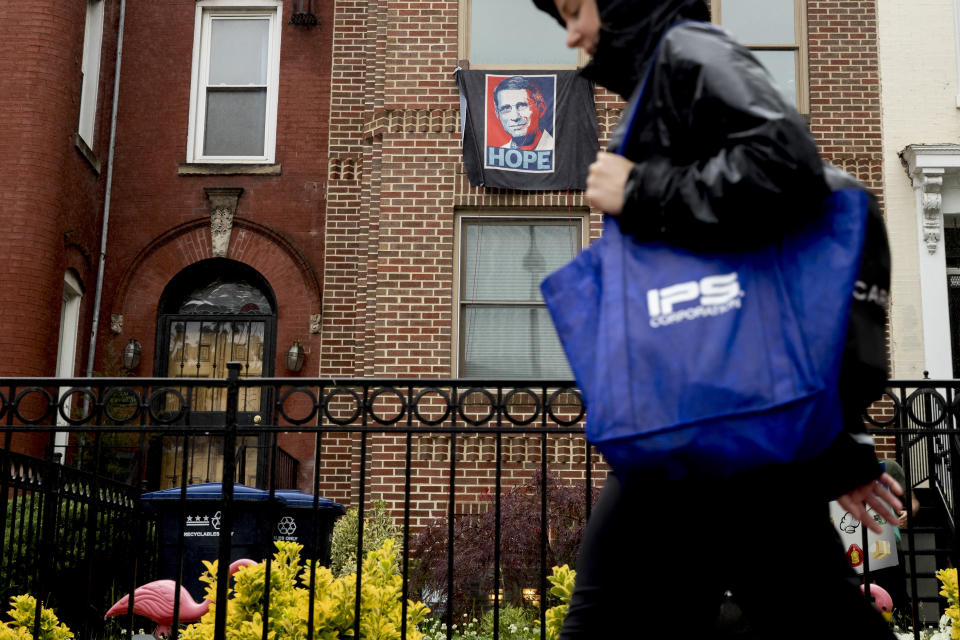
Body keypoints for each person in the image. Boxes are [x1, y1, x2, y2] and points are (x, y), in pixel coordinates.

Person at [531, 0, 903, 637]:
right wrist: (831, 452)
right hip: (707, 430)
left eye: (573, 10)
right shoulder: (666, 81)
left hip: (704, 431)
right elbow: (751, 253)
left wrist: (644, 192)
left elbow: (787, 163)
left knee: (603, 622)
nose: (572, 36)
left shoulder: (689, 51)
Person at [492, 76, 555, 151]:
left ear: (541, 108)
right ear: (498, 115)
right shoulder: (498, 154)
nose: (515, 117)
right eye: (506, 108)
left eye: (522, 105)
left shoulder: (558, 150)